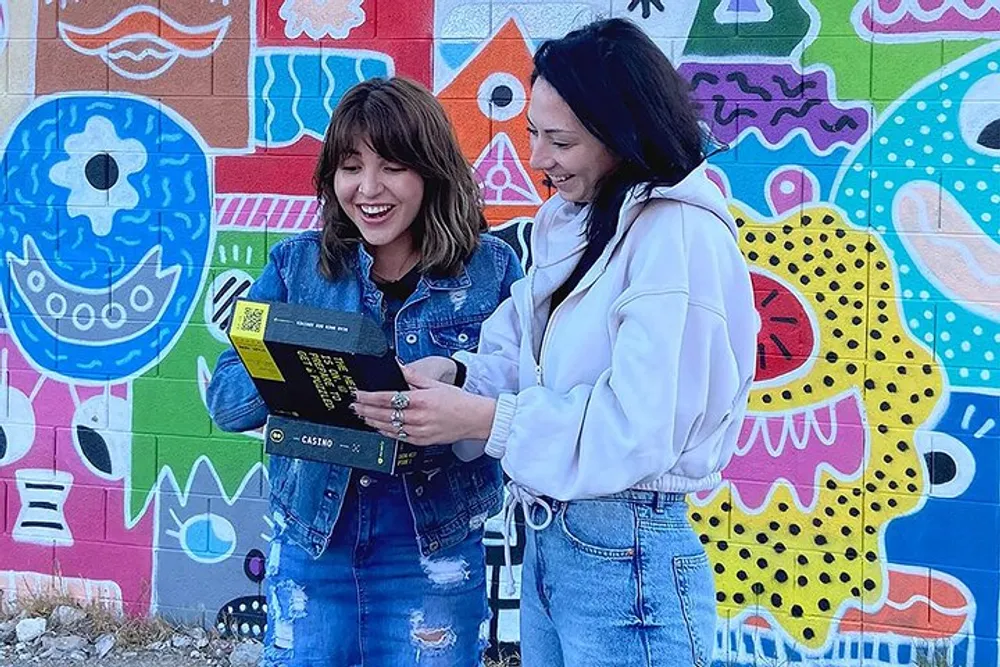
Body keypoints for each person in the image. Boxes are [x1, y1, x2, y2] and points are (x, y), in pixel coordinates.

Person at [351, 18, 756, 667]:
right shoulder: (575, 223)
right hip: (554, 541)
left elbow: (638, 425)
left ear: (620, 133)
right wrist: (456, 378)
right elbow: (520, 354)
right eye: (533, 132)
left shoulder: (677, 236)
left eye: (559, 140)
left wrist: (486, 418)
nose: (537, 158)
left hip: (628, 551)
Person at [206, 77, 523, 666]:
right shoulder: (298, 264)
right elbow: (225, 401)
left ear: (430, 171)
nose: (368, 189)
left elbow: (530, 391)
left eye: (393, 166)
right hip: (312, 540)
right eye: (351, 167)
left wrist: (457, 378)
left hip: (432, 545)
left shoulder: (492, 269)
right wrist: (304, 366)